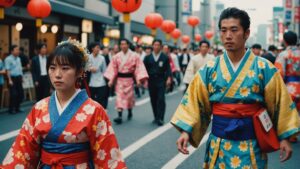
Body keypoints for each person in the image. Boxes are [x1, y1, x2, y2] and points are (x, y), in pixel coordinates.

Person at [171, 7, 299, 168]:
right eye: (223, 30)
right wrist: (185, 131)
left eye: (234, 30)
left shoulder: (264, 68)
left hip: (252, 145)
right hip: (219, 145)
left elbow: (279, 103)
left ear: (246, 33)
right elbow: (195, 102)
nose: (228, 36)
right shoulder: (209, 69)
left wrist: (284, 138)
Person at [1, 39, 127, 169]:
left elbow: (107, 155)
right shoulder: (39, 108)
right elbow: (22, 152)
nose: (57, 74)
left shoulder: (95, 110)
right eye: (52, 68)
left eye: (65, 68)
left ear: (79, 72)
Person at [104, 39, 148, 124]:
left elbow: (138, 68)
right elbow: (113, 69)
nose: (123, 46)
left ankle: (130, 110)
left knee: (129, 98)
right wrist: (111, 80)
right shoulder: (116, 56)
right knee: (119, 98)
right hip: (120, 80)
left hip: (129, 80)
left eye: (125, 44)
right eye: (121, 44)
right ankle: (119, 116)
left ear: (128, 45)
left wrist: (138, 79)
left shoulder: (135, 56)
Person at [275, 31, 300, 142]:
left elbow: (279, 73)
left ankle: (292, 135)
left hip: (291, 87)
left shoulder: (284, 54)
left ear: (284, 41)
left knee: (290, 111)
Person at [144, 39, 172, 126]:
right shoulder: (147, 58)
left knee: (161, 99)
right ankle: (156, 116)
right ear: (152, 46)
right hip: (151, 80)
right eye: (155, 45)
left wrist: (168, 78)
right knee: (153, 99)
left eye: (158, 45)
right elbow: (143, 70)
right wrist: (143, 79)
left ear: (161, 46)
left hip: (161, 80)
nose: (156, 46)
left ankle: (161, 118)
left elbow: (168, 69)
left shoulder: (165, 57)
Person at [88, 42, 109, 109]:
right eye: (96, 47)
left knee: (101, 99)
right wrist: (90, 68)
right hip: (91, 81)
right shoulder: (88, 57)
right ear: (92, 48)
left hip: (101, 81)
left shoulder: (102, 58)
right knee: (92, 100)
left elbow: (104, 70)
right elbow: (84, 67)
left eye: (99, 48)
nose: (98, 49)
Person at [5, 45, 24, 114]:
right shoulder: (8, 59)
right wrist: (9, 80)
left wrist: (22, 77)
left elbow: (20, 68)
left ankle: (17, 108)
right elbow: (8, 70)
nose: (18, 51)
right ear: (12, 51)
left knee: (20, 93)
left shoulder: (19, 58)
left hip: (18, 77)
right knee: (13, 94)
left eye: (18, 50)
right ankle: (11, 109)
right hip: (12, 78)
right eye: (16, 50)